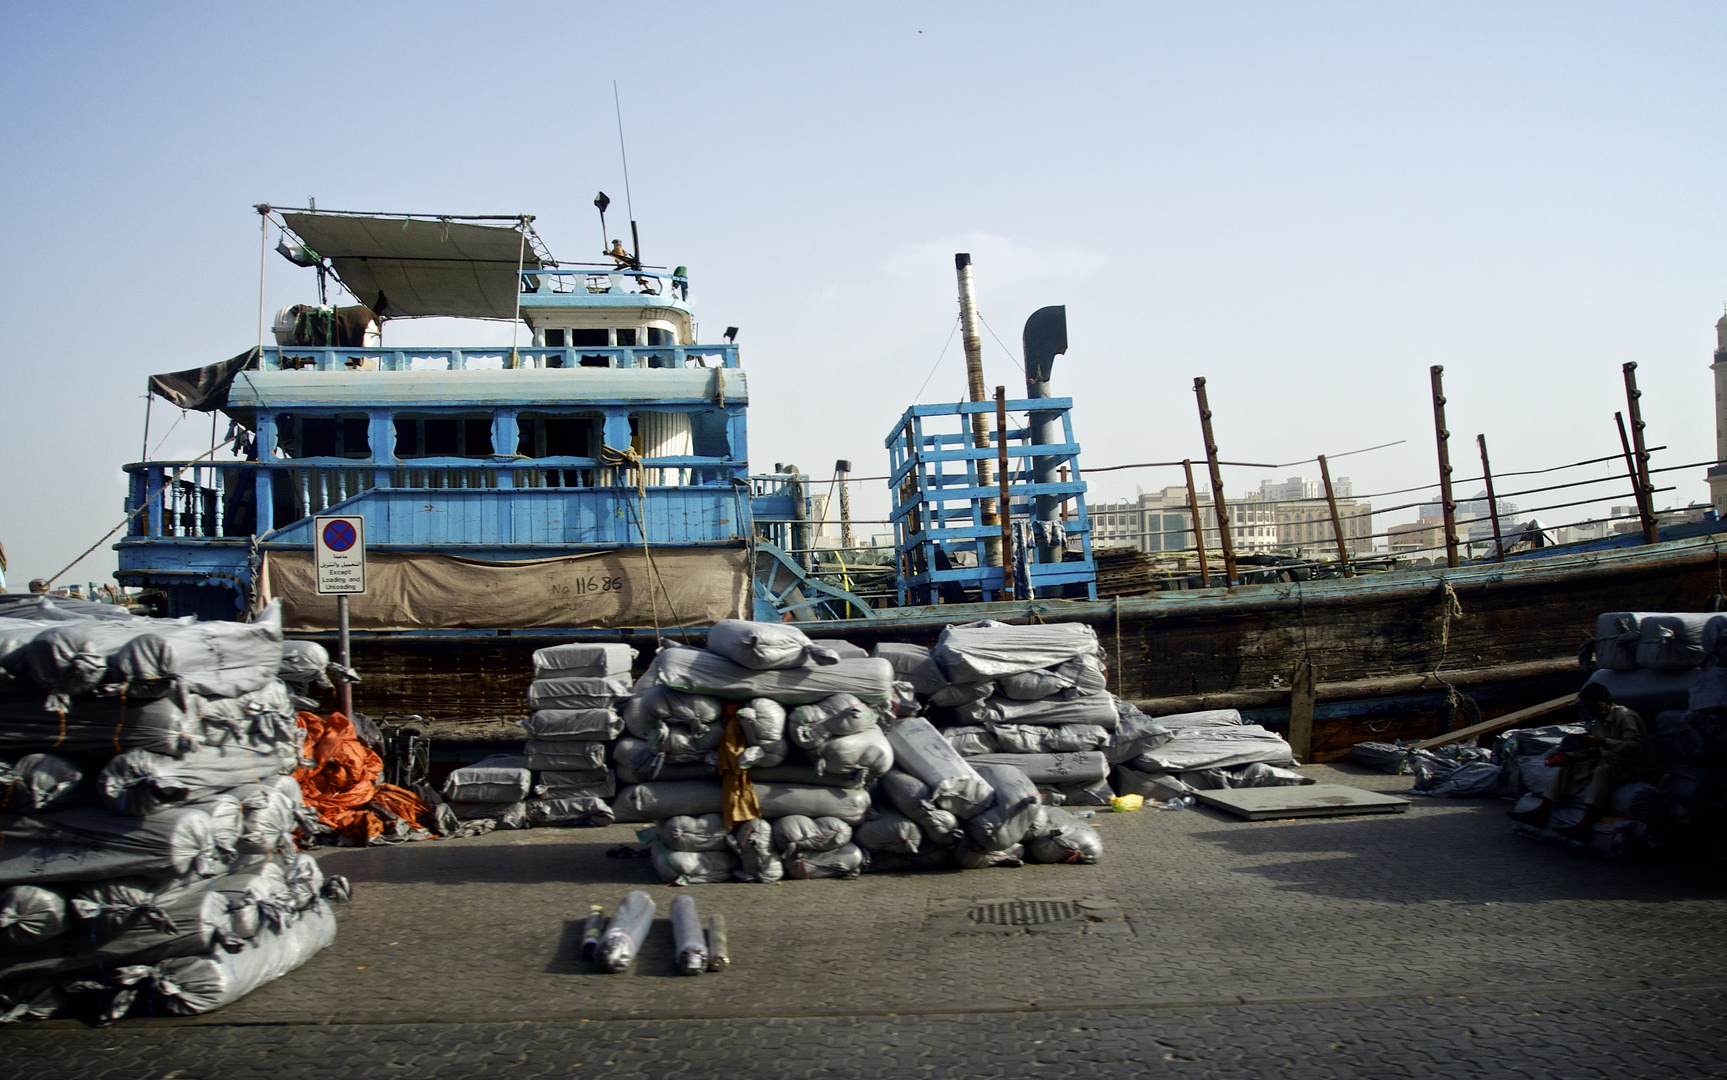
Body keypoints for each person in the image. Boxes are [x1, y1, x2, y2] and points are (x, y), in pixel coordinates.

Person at [1510, 682, 1660, 841]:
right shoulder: (1599, 721)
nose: (1592, 712)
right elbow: (1594, 751)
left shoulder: (1624, 716)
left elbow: (1634, 746)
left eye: (1596, 707)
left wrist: (1603, 741)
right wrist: (1568, 757)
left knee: (1604, 769)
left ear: (1608, 701)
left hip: (1637, 767)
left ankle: (1585, 824)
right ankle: (1542, 810)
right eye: (1590, 709)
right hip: (1614, 760)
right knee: (1571, 766)